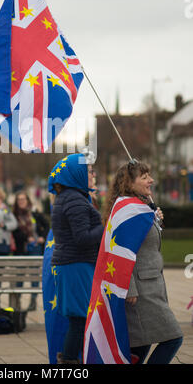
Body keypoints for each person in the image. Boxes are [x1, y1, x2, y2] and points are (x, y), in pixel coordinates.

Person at [102, 160, 183, 364]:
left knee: (140, 344)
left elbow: (144, 241)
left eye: (150, 175)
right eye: (144, 176)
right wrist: (128, 288)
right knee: (173, 337)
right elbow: (120, 249)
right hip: (140, 291)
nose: (151, 180)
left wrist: (153, 218)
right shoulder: (128, 209)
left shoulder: (140, 207)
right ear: (129, 183)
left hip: (152, 285)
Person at [48, 153, 104, 364]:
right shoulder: (74, 199)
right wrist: (104, 225)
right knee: (79, 320)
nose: (92, 174)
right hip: (76, 265)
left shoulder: (71, 197)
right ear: (77, 174)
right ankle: (70, 363)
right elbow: (82, 238)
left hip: (73, 264)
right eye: (89, 171)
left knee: (78, 320)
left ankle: (71, 360)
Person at [12, 190, 49, 311]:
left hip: (35, 247)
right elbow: (15, 232)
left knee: (34, 274)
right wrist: (27, 238)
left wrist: (42, 237)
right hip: (21, 248)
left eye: (24, 199)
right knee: (20, 275)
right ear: (16, 202)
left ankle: (33, 301)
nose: (22, 201)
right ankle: (18, 300)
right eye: (19, 200)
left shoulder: (34, 213)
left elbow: (47, 225)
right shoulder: (13, 216)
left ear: (28, 200)